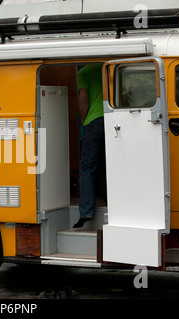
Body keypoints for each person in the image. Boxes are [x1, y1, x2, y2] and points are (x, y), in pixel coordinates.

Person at [73, 63, 107, 228]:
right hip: (113, 119)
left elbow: (83, 97)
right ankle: (112, 203)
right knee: (105, 165)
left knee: (87, 167)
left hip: (93, 121)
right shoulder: (107, 67)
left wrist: (85, 120)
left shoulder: (84, 72)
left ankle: (86, 211)